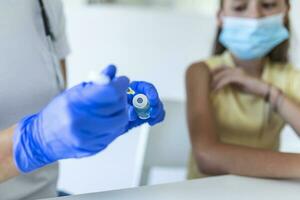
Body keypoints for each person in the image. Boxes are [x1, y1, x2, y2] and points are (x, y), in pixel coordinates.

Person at [0, 1, 165, 199]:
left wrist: (100, 113)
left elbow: (54, 105)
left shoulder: (46, 4)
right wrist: (33, 140)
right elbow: (44, 132)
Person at [186, 0, 300, 180]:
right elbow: (206, 157)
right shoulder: (201, 72)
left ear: (285, 12)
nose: (255, 16)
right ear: (220, 17)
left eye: (268, 5)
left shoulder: (291, 78)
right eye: (240, 7)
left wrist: (269, 92)